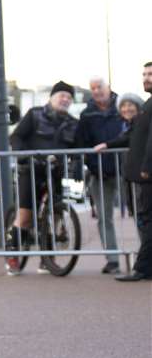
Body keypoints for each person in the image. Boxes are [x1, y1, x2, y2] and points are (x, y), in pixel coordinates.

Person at [10, 82, 78, 276]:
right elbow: (16, 137)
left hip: (55, 172)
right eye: (61, 95)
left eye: (69, 97)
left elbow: (78, 148)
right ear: (52, 97)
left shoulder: (73, 123)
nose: (65, 99)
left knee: (54, 215)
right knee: (25, 217)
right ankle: (13, 254)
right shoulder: (34, 114)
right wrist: (22, 154)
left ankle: (47, 259)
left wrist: (78, 166)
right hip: (31, 170)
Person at [99, 63, 152, 282]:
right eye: (145, 74)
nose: (146, 78)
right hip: (144, 173)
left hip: (148, 174)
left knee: (148, 221)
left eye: (150, 74)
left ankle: (142, 269)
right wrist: (108, 144)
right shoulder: (148, 104)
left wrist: (147, 168)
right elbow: (134, 135)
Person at [74, 77, 124, 273]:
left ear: (108, 88)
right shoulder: (87, 114)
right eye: (92, 88)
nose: (96, 91)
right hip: (100, 172)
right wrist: (84, 164)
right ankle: (112, 259)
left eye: (99, 87)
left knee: (143, 215)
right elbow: (81, 142)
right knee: (104, 218)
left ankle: (145, 257)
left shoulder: (123, 106)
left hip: (125, 169)